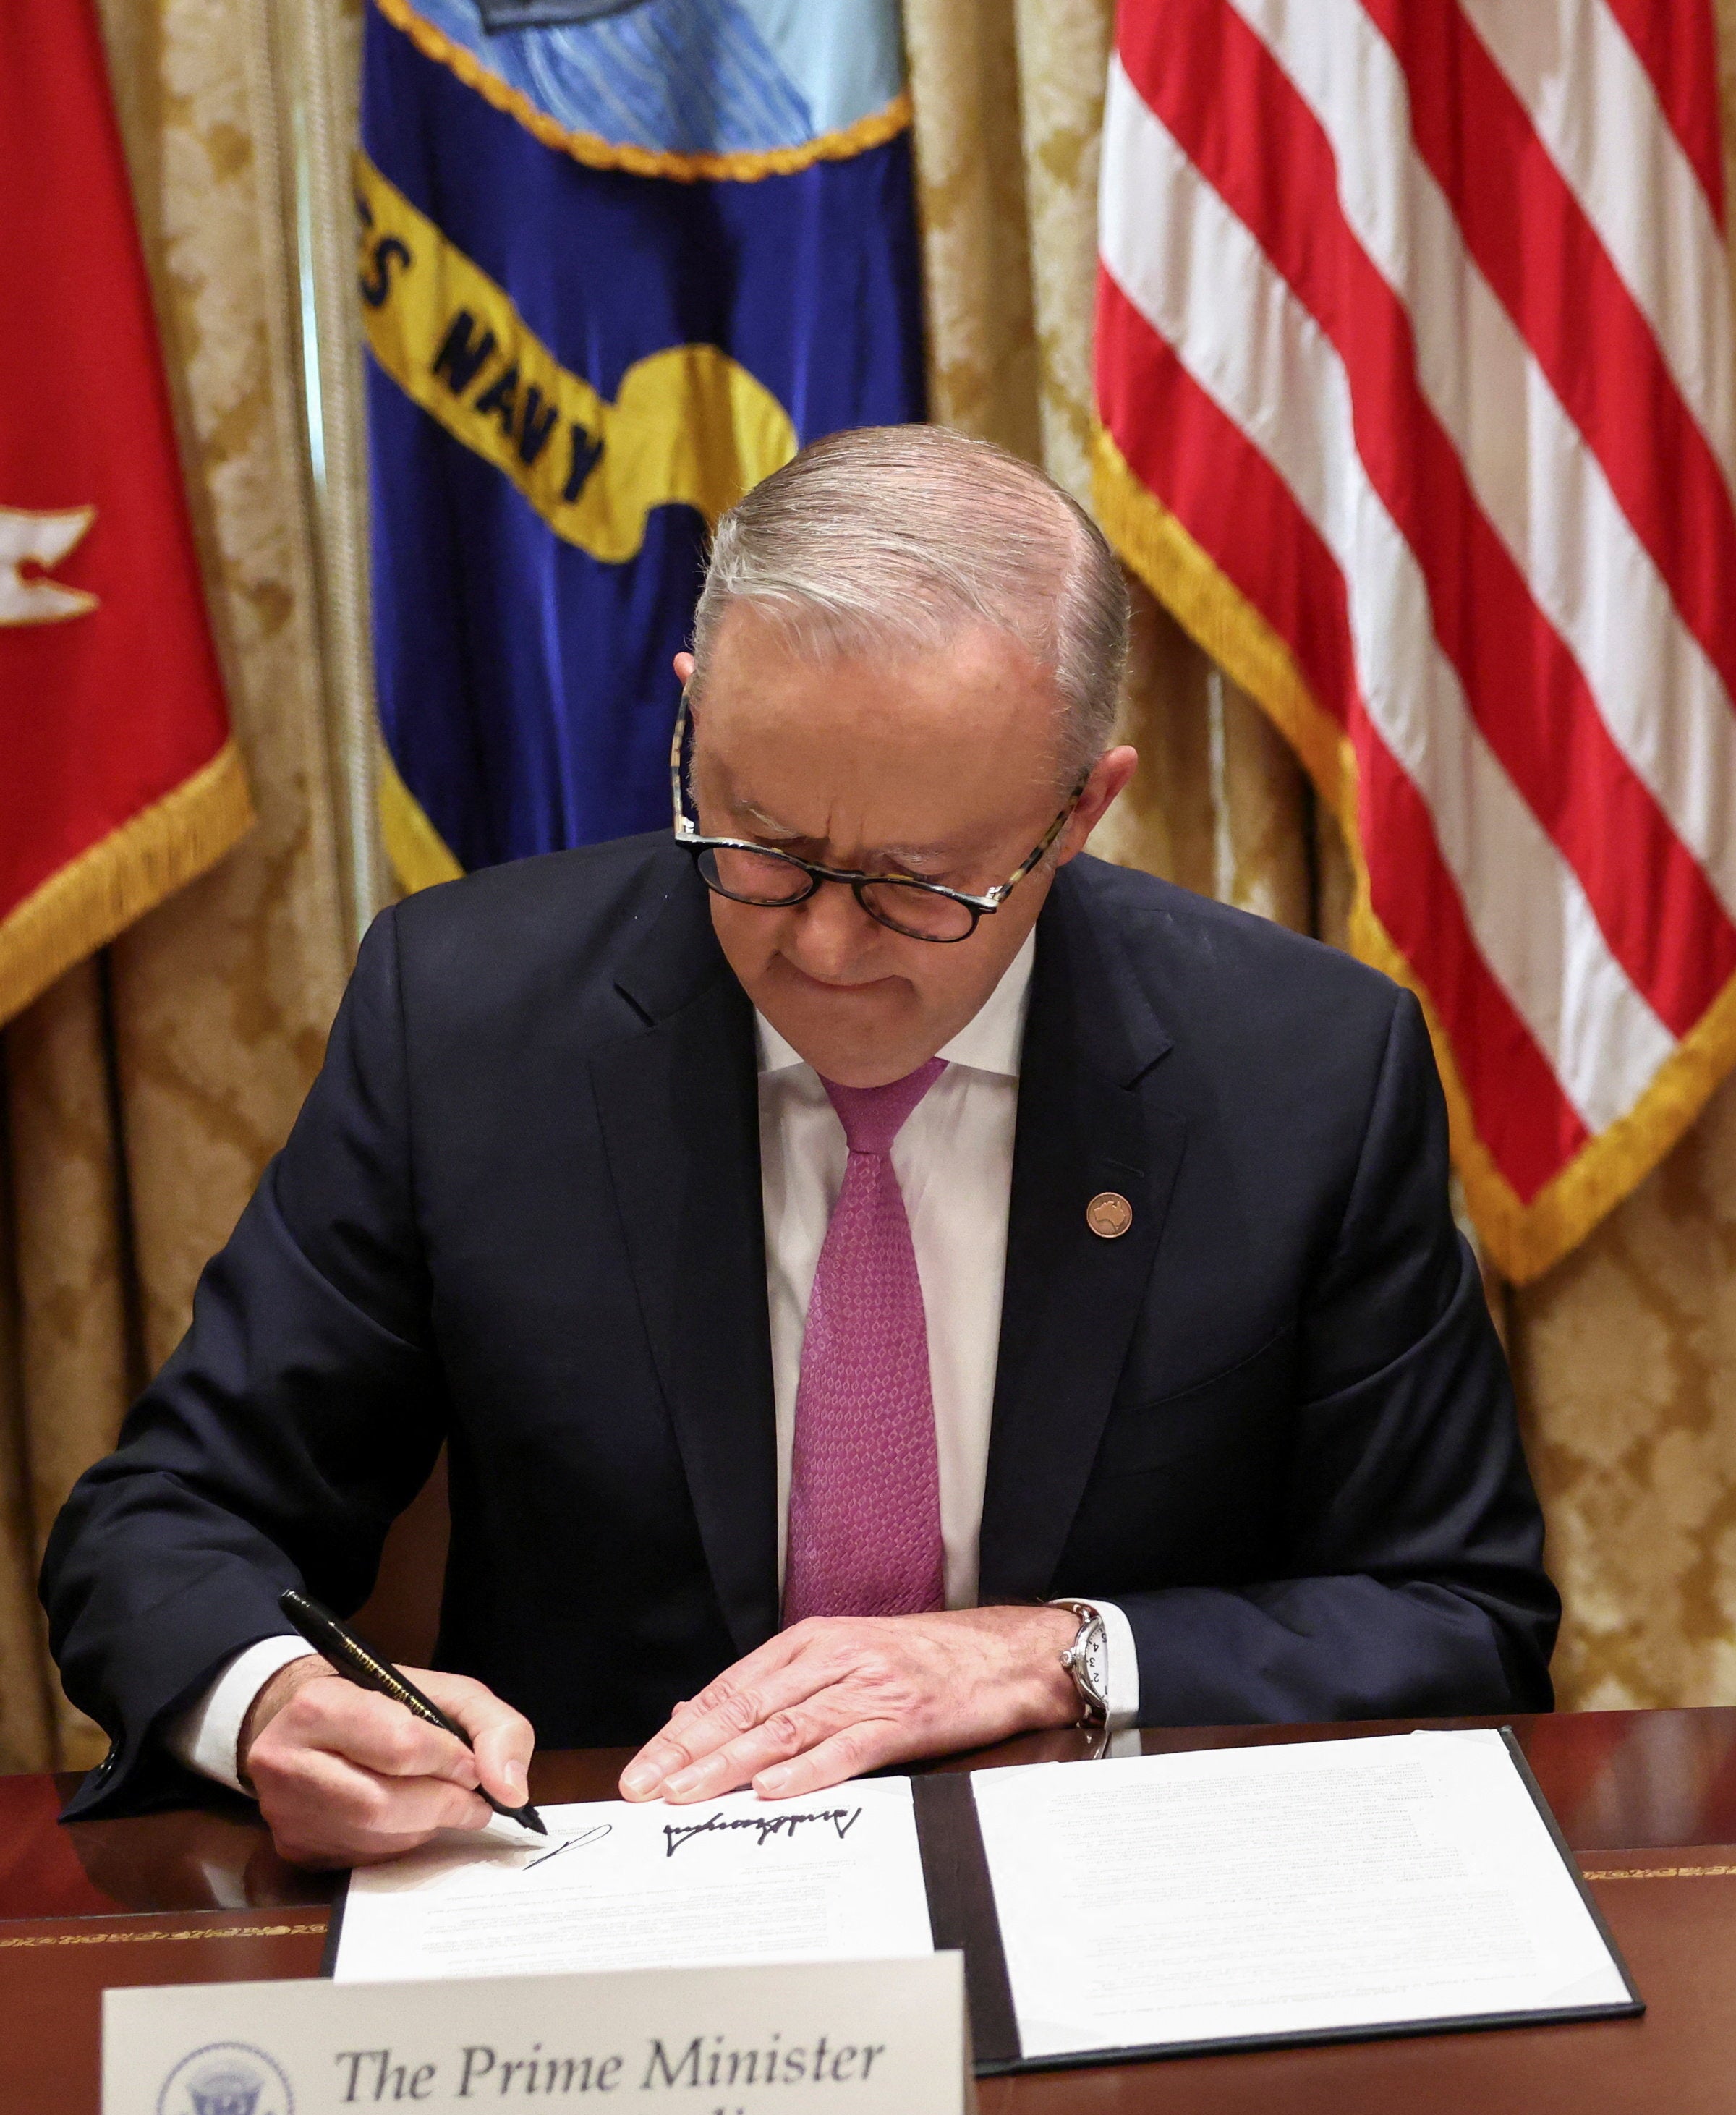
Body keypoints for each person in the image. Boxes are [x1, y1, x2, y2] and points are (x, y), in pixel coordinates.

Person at [47, 425, 1557, 1860]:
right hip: (605, 1902)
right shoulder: (465, 1021)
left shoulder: (1300, 1069)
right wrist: (274, 1706)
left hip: (1122, 1907)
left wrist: (1062, 1656)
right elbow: (167, 1519)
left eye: (920, 886)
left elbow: (1461, 1617)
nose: (823, 950)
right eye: (761, 845)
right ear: (693, 717)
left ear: (1079, 812)